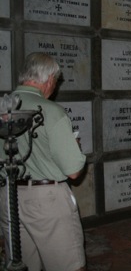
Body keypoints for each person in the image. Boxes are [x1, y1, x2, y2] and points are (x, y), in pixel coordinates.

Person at [0, 52, 87, 271]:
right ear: (49, 79)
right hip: (47, 200)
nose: (54, 87)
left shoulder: (3, 108)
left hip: (8, 196)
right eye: (55, 82)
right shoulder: (50, 111)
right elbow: (74, 171)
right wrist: (75, 148)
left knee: (23, 265)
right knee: (68, 266)